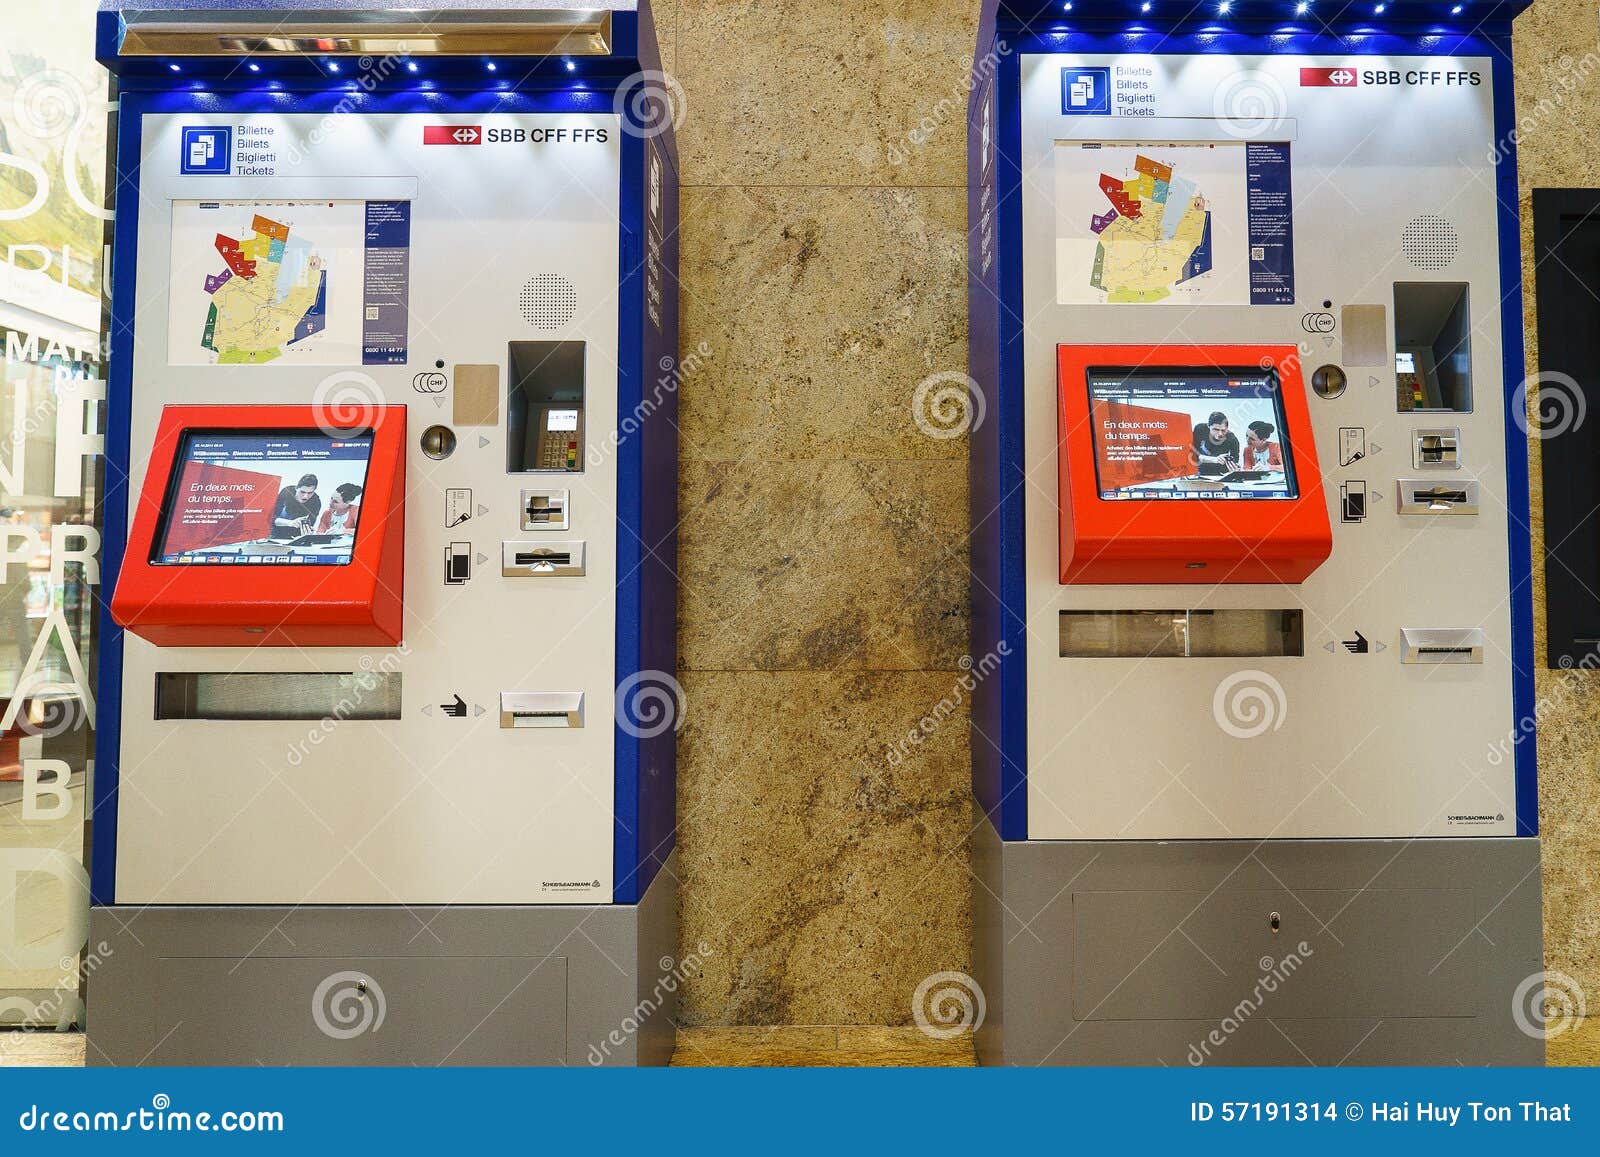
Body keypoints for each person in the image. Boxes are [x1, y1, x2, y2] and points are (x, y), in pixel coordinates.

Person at [271, 474, 321, 539]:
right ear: (297, 488)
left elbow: (310, 524)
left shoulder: (316, 501)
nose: (305, 496)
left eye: (310, 493)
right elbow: (272, 519)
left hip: (296, 537)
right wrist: (290, 523)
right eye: (302, 492)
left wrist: (308, 531)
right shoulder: (286, 492)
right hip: (276, 533)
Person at [1191, 411, 1240, 476]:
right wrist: (1215, 459)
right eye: (1216, 429)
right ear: (1208, 426)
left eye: (1223, 430)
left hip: (1220, 474)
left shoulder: (1232, 439)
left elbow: (1235, 461)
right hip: (1200, 472)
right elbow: (1193, 455)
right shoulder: (1200, 429)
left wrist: (1235, 468)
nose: (1220, 434)